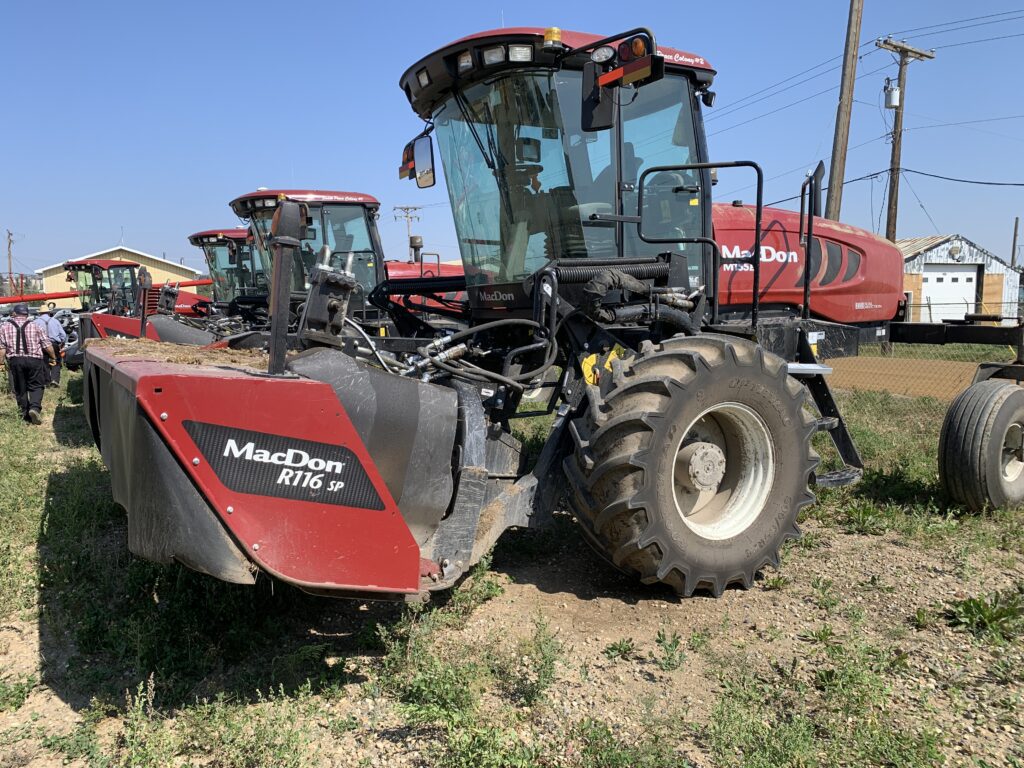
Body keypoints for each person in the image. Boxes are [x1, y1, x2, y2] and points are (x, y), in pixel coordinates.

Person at [0, 304, 56, 424]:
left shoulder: (4, 327)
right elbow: (47, 345)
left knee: (20, 388)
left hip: (15, 360)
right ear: (27, 314)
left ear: (14, 313)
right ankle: (34, 408)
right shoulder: (35, 325)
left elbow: (2, 348)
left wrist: (1, 363)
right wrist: (53, 357)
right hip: (34, 360)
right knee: (36, 385)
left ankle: (25, 415)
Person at [34, 308, 68, 387]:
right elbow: (63, 335)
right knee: (56, 361)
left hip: (41, 345)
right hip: (54, 344)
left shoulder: (35, 322)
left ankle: (47, 381)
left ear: (40, 313)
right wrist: (62, 342)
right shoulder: (55, 321)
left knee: (44, 363)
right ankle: (54, 380)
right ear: (49, 313)